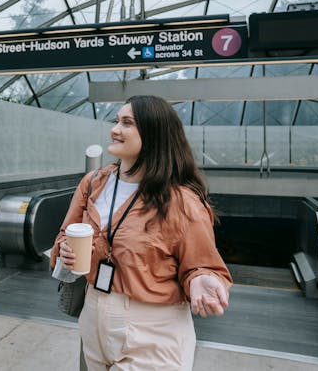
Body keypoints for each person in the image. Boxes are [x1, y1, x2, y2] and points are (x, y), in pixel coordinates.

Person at [50, 95, 232, 371]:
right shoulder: (93, 183)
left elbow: (203, 264)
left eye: (127, 123)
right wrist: (64, 250)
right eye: (116, 121)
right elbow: (65, 234)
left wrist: (200, 279)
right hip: (93, 314)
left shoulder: (181, 200)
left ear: (153, 133)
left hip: (151, 331)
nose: (115, 129)